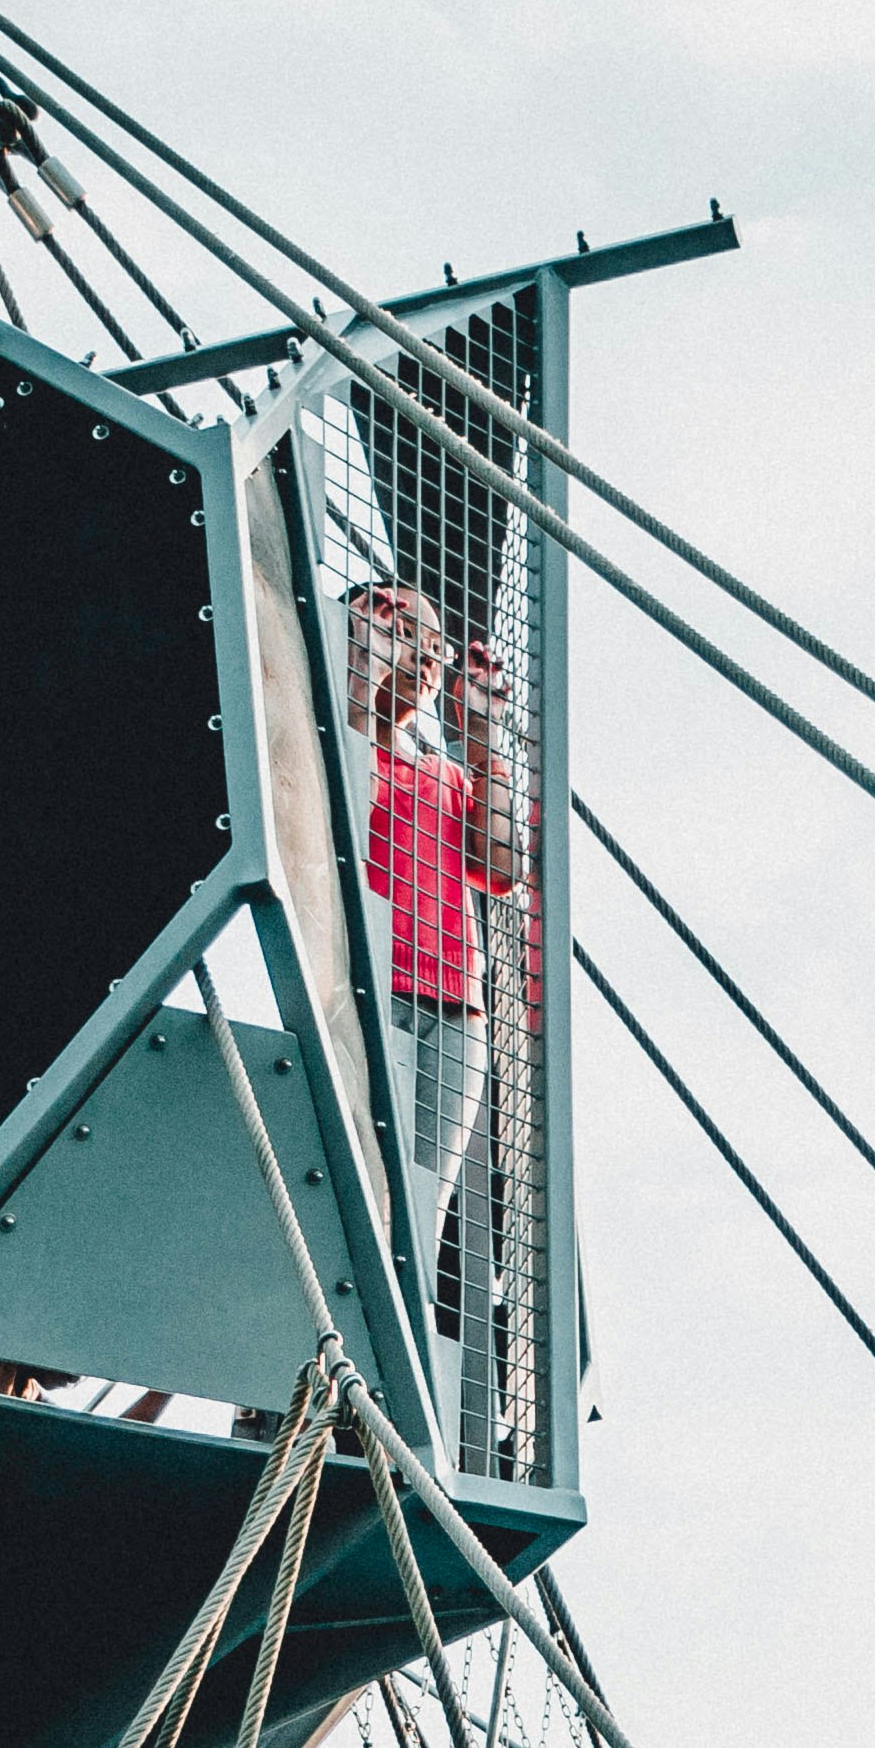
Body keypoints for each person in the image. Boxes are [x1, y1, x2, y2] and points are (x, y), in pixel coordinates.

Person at [344, 578, 523, 1373]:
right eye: (398, 627)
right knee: (354, 1179)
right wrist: (362, 652)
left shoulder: (447, 774)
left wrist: (484, 734)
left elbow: (502, 866)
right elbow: (343, 764)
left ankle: (387, 1369)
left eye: (432, 641)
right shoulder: (338, 736)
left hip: (454, 1006)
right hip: (361, 990)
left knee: (423, 1202)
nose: (422, 652)